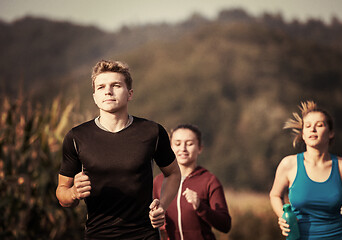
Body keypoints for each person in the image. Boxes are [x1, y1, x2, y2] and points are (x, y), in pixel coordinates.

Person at [56, 60, 181, 240]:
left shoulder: (152, 131)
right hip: (97, 235)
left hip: (144, 235)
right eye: (101, 87)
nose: (108, 91)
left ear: (130, 94)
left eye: (116, 85)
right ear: (94, 96)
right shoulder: (77, 137)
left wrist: (162, 205)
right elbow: (62, 194)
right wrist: (74, 192)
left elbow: (173, 174)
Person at [269, 100, 342, 239]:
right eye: (308, 126)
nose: (313, 129)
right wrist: (284, 216)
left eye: (319, 125)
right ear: (303, 134)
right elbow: (275, 195)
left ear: (330, 133)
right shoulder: (289, 164)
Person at [153, 124, 231, 240]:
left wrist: (200, 206)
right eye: (177, 144)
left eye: (189, 144)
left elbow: (225, 225)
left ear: (200, 148)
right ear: (170, 147)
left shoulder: (209, 181)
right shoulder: (159, 181)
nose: (183, 149)